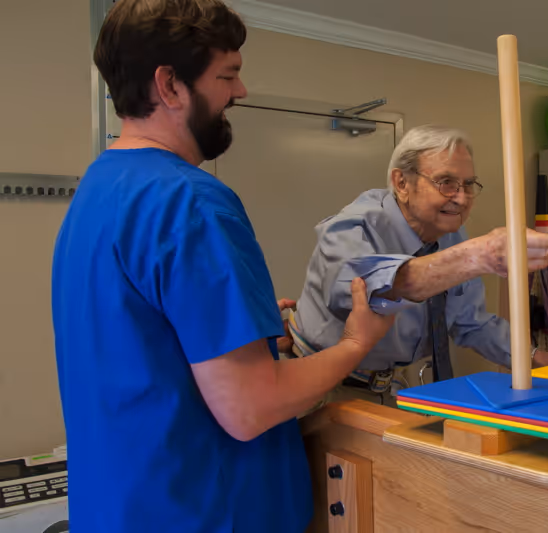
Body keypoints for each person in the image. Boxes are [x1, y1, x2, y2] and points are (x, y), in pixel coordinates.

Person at [50, 1, 393, 532]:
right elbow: (251, 408)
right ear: (169, 85)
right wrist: (356, 344)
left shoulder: (95, 192)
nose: (240, 92)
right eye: (227, 75)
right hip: (204, 513)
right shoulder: (191, 201)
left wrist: (251, 341)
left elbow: (145, 348)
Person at [291, 125, 548, 403]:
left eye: (468, 185)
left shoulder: (449, 233)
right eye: (446, 183)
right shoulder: (353, 227)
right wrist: (477, 256)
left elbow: (471, 322)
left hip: (388, 387)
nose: (462, 199)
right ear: (402, 183)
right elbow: (369, 290)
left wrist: (539, 357)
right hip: (318, 388)